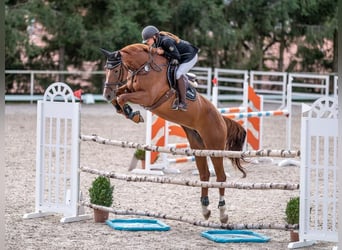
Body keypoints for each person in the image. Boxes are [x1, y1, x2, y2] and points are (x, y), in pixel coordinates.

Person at [141, 25, 199, 111]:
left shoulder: (165, 41)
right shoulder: (157, 41)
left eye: (148, 40)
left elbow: (176, 56)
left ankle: (183, 103)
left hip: (190, 57)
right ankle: (188, 77)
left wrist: (163, 52)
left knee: (178, 74)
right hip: (182, 56)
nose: (147, 42)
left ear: (154, 36)